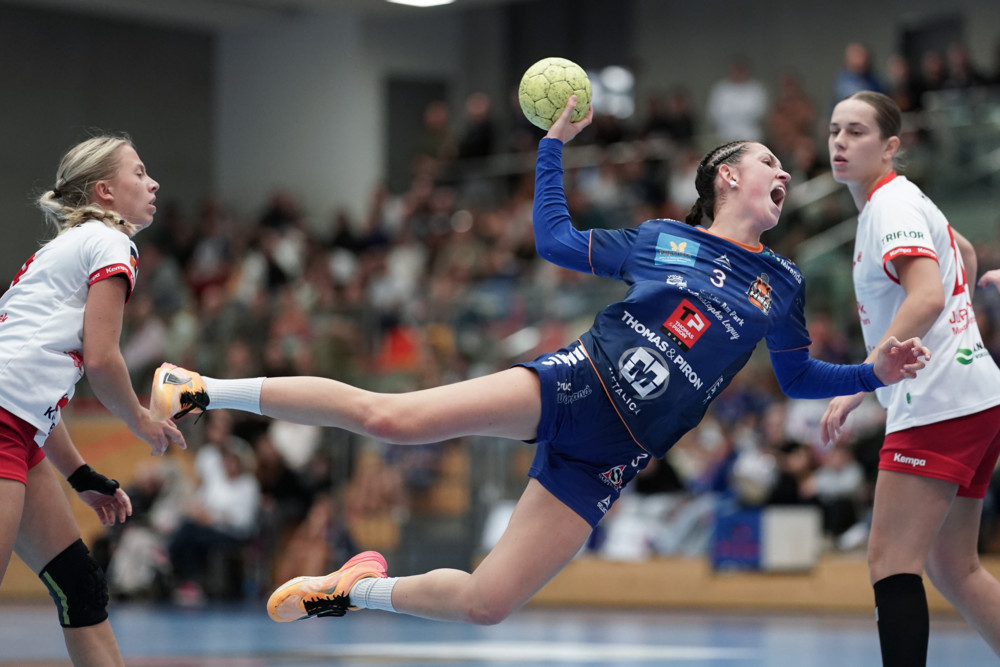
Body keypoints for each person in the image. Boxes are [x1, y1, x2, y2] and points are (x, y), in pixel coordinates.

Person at [150, 97, 929, 629]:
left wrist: (873, 373)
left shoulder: (782, 282)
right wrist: (552, 146)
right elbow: (555, 240)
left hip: (614, 456)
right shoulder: (663, 238)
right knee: (391, 417)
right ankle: (203, 388)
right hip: (574, 384)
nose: (786, 174)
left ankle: (355, 590)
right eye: (771, 163)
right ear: (729, 176)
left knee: (489, 602)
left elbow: (796, 377)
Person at [821, 91, 1000, 665]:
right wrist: (959, 332)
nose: (840, 142)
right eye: (835, 130)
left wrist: (863, 379)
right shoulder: (905, 198)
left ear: (890, 146)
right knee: (954, 566)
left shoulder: (890, 207)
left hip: (938, 404)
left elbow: (926, 296)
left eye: (857, 132)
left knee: (890, 562)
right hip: (975, 396)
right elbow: (963, 254)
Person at [0, 133, 186, 666]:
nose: (153, 183)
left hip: (20, 429)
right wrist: (141, 419)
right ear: (105, 192)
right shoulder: (110, 241)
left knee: (79, 586)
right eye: (139, 172)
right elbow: (103, 360)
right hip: (5, 426)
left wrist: (80, 475)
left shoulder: (63, 249)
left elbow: (33, 397)